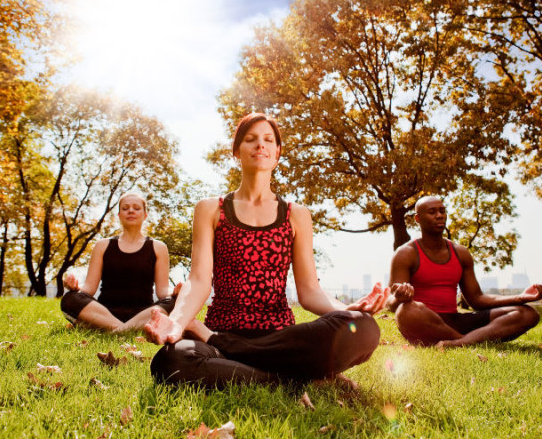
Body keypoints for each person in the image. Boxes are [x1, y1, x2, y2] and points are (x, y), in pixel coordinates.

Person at [143, 112, 388, 387]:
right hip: (222, 331)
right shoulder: (211, 209)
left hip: (281, 340)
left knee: (364, 327)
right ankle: (291, 381)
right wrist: (176, 321)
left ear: (277, 152)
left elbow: (309, 291)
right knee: (170, 362)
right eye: (251, 139)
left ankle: (249, 366)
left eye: (268, 140)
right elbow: (199, 280)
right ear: (237, 151)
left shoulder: (297, 214)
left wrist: (346, 310)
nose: (260, 145)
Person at [387, 195, 542, 348]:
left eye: (442, 211)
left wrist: (521, 297)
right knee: (406, 311)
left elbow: (477, 299)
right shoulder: (405, 254)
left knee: (528, 314)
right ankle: (467, 341)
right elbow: (390, 302)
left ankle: (459, 343)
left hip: (456, 320)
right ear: (418, 219)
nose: (439, 215)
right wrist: (399, 297)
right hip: (424, 319)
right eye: (432, 212)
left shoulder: (460, 253)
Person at [60, 192, 178, 332]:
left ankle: (117, 330)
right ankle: (124, 329)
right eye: (125, 208)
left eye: (136, 208)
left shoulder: (158, 247)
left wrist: (176, 293)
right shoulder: (102, 245)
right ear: (119, 215)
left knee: (177, 303)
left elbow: (163, 291)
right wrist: (74, 286)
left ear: (145, 215)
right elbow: (89, 289)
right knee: (70, 298)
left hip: (142, 314)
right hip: (105, 314)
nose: (131, 211)